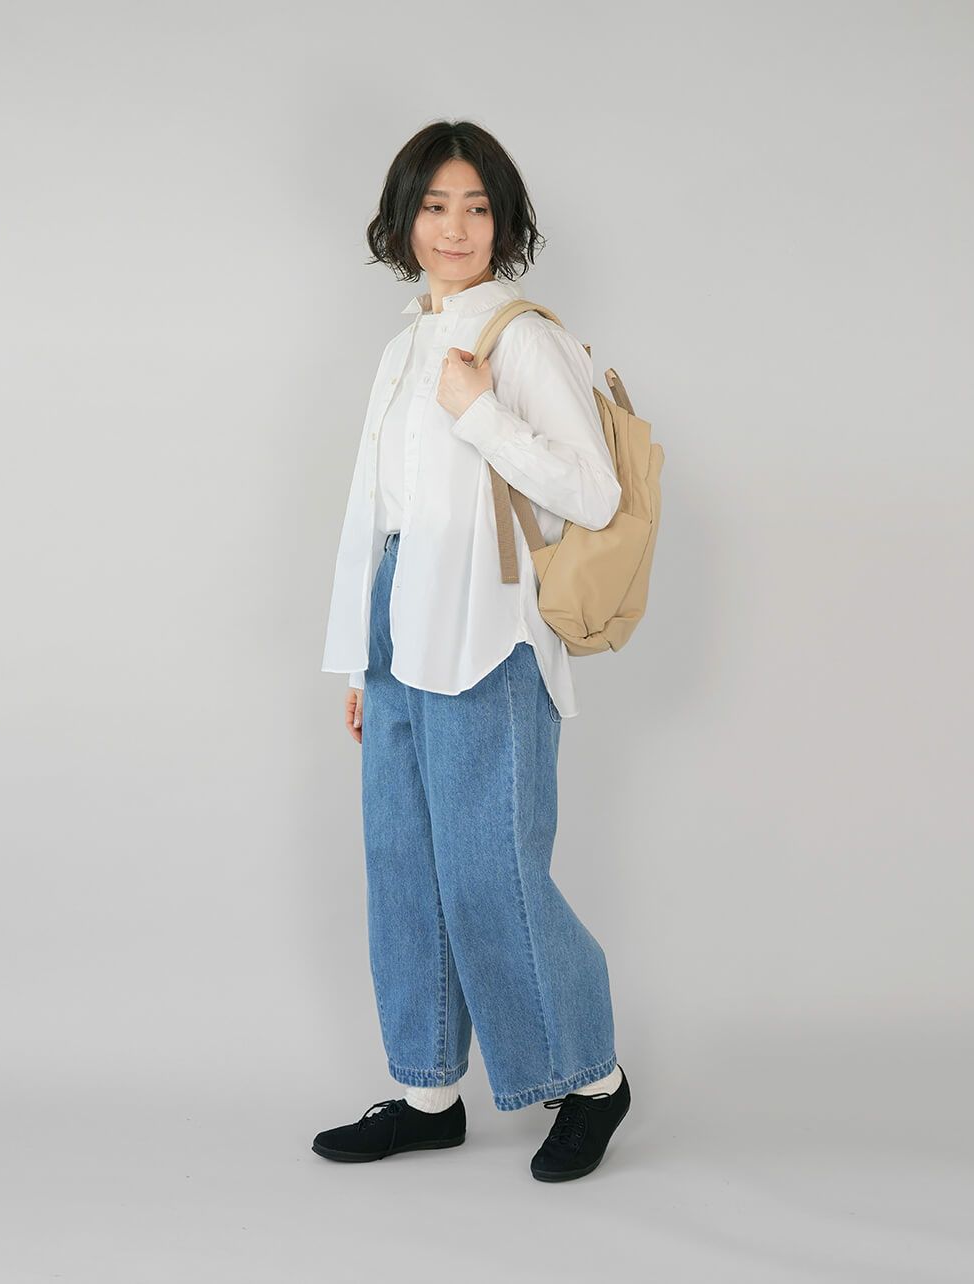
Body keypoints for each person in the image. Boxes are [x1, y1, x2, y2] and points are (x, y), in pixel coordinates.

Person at [316, 120, 631, 1182]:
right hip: (398, 618)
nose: (455, 227)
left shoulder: (521, 338)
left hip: (489, 628)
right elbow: (375, 512)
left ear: (504, 221)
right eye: (434, 205)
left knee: (491, 871)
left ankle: (592, 1080)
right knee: (404, 867)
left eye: (477, 207)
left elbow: (593, 494)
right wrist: (358, 663)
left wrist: (481, 410)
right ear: (403, 219)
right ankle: (427, 1093)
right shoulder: (403, 343)